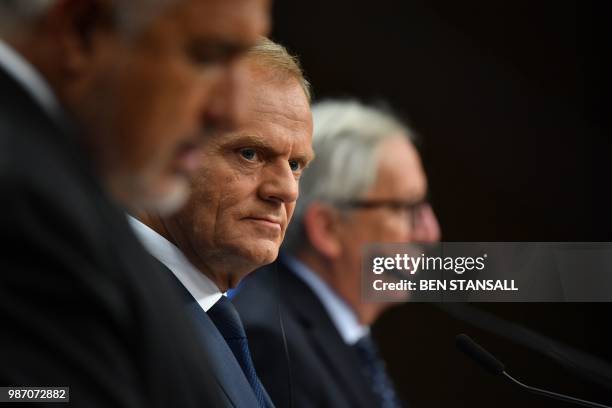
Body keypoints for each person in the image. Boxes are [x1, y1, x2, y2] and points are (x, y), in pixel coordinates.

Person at [0, 0, 269, 406]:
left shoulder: (62, 191)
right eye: (207, 57)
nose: (229, 110)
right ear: (82, 32)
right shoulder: (30, 204)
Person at [130, 37, 313, 407]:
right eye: (250, 153)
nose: (286, 190)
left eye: (295, 165)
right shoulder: (95, 289)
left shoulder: (211, 317)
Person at [233, 100, 441, 408]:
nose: (430, 232)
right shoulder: (270, 341)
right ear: (328, 228)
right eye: (405, 209)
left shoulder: (346, 338)